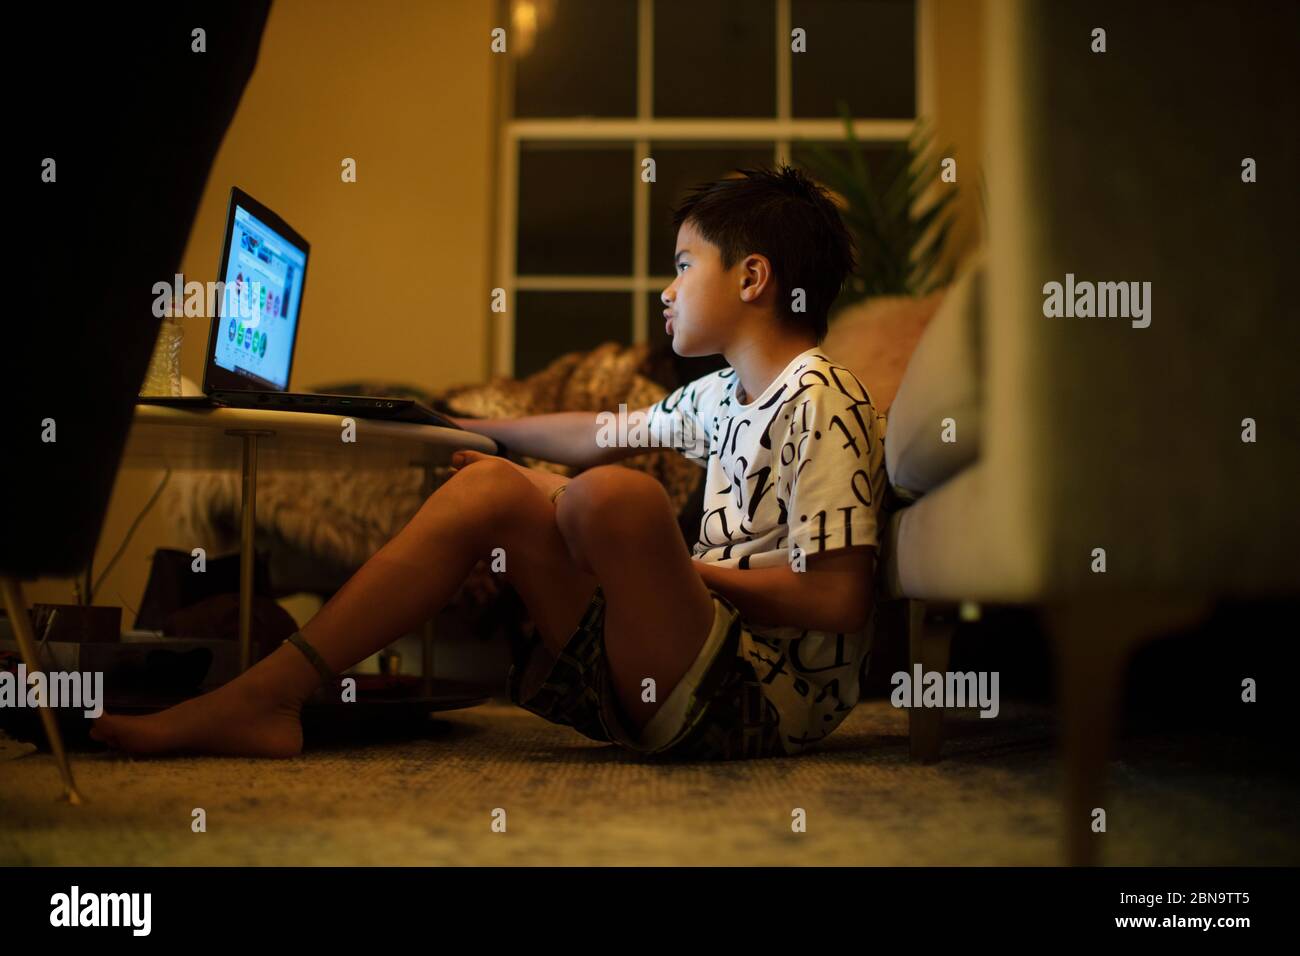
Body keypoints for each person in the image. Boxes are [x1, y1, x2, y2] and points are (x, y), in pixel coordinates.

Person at [90, 164, 888, 761]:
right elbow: (598, 431)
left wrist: (668, 568)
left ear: (753, 278)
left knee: (618, 502)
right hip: (671, 671)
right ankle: (269, 696)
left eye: (684, 265)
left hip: (757, 704)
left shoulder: (823, 399)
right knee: (494, 488)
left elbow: (840, 602)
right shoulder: (724, 396)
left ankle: (591, 526)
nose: (667, 291)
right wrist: (476, 429)